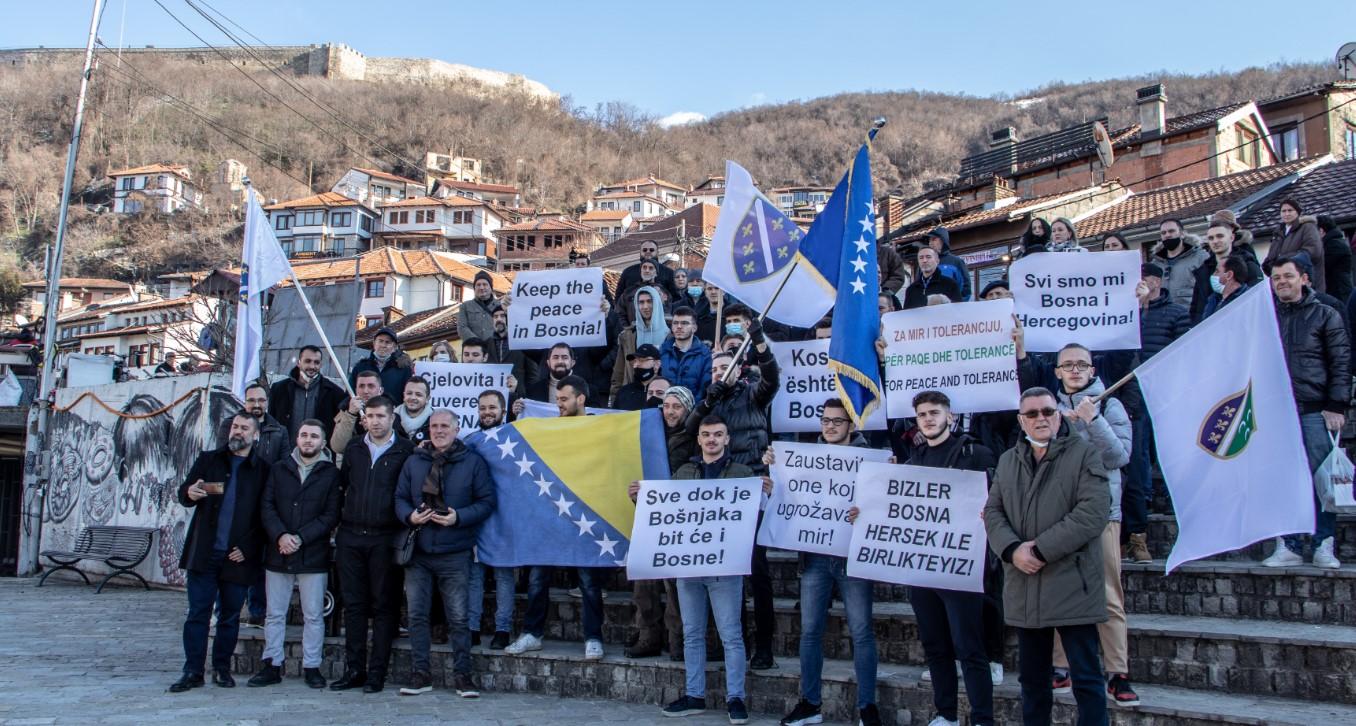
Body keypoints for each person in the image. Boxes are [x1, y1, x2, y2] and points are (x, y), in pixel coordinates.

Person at [985, 387, 1110, 726]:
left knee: (1086, 679)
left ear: (1058, 415)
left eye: (1047, 411)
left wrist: (1038, 550)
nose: (1041, 418)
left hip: (1072, 582)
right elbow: (992, 512)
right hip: (1025, 585)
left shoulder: (1084, 454)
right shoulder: (1008, 460)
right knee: (1032, 683)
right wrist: (1012, 550)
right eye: (1032, 413)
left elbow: (1093, 513)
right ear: (1020, 420)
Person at [774, 398, 883, 726]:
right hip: (816, 557)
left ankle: (867, 707)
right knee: (809, 631)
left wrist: (865, 510)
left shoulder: (872, 460)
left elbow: (885, 504)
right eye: (825, 420)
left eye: (837, 421)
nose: (830, 426)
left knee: (862, 632)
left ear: (851, 425)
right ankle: (810, 703)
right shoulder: (802, 459)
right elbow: (787, 496)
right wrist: (773, 469)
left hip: (853, 557)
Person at [896, 391, 996, 726]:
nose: (928, 418)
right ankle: (947, 714)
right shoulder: (914, 459)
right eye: (922, 414)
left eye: (934, 412)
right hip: (923, 569)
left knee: (970, 648)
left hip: (961, 568)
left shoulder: (977, 454)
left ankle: (982, 718)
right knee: (935, 646)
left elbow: (996, 502)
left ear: (949, 416)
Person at [685, 319, 780, 670]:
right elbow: (690, 431)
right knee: (728, 572)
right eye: (715, 370)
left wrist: (760, 345)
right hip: (719, 495)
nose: (719, 374)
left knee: (757, 571)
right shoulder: (711, 401)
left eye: (725, 368)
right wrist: (704, 404)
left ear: (739, 371)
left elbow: (772, 378)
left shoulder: (752, 393)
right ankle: (734, 642)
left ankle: (765, 646)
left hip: (752, 486)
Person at [1048, 344, 1138, 707]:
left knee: (1108, 594)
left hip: (1101, 514)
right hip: (1056, 516)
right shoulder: (1046, 406)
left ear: (1091, 368)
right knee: (1057, 589)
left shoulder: (1109, 405)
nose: (1074, 370)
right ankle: (1059, 665)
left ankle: (1117, 672)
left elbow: (1120, 455)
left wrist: (1092, 420)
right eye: (1067, 365)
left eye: (1080, 364)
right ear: (1056, 372)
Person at [659, 414, 755, 725]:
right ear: (698, 439)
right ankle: (695, 694)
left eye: (717, 434)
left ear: (727, 439)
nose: (711, 439)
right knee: (692, 634)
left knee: (731, 635)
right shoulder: (683, 472)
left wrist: (763, 492)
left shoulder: (743, 474)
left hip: (726, 567)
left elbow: (756, 514)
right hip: (689, 565)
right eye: (706, 434)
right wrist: (641, 500)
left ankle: (736, 698)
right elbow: (666, 512)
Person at [506, 375, 610, 661]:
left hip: (586, 514)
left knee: (589, 580)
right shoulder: (549, 429)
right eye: (557, 400)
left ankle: (593, 637)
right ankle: (532, 633)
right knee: (538, 577)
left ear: (581, 399)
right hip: (550, 514)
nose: (559, 405)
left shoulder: (599, 429)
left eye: (564, 399)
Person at [395, 409, 496, 698]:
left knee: (459, 618)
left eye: (444, 426)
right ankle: (420, 674)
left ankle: (463, 676)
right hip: (419, 551)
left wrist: (459, 517)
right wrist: (409, 517)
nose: (438, 431)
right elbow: (399, 497)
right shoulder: (414, 461)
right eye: (434, 426)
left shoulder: (473, 463)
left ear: (456, 428)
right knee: (416, 616)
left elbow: (487, 501)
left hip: (455, 551)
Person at [169, 413, 269, 693]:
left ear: (255, 434)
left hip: (237, 556)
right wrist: (190, 492)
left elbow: (265, 515)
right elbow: (184, 494)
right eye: (235, 426)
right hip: (205, 551)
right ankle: (193, 670)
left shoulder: (262, 470)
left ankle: (222, 669)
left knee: (230, 615)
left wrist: (248, 547)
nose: (238, 431)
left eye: (244, 428)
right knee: (198, 613)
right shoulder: (209, 460)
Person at [1262, 256, 1349, 569]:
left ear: (1304, 278)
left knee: (1321, 481)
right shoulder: (1264, 317)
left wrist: (1337, 405)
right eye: (1276, 278)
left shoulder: (1326, 314)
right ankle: (1290, 544)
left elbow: (1340, 362)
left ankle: (1324, 543)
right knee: (1284, 481)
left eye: (1288, 276)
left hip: (1315, 410)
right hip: (1275, 413)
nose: (1282, 281)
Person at [330, 395, 416, 694]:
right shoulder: (354, 447)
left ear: (392, 418)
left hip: (385, 537)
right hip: (351, 535)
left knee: (384, 606)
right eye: (371, 416)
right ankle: (354, 669)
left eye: (382, 416)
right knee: (353, 606)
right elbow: (345, 485)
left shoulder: (406, 450)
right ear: (364, 418)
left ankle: (376, 673)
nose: (376, 421)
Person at [248, 419, 340, 689]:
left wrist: (301, 537)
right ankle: (271, 664)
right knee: (275, 613)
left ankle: (312, 666)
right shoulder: (279, 469)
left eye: (314, 436)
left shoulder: (330, 473)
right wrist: (281, 535)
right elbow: (266, 506)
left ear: (323, 442)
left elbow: (331, 514)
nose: (308, 440)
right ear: (296, 439)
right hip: (279, 551)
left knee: (313, 614)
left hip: (312, 553)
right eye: (303, 435)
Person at [1124, 266, 1189, 565]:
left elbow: (1182, 351)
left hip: (1157, 397)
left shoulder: (1174, 313)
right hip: (1124, 400)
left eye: (1145, 279)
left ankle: (1138, 536)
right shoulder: (1124, 315)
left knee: (1141, 468)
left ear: (1157, 281)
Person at [226, 383, 290, 628]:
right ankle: (228, 609)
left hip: (267, 497)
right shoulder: (231, 426)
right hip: (239, 499)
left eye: (260, 400)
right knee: (236, 554)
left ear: (267, 402)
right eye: (251, 400)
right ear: (245, 402)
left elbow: (284, 463)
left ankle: (258, 610)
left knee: (262, 556)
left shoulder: (278, 430)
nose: (256, 404)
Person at [467, 390, 517, 650]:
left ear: (503, 410)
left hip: (506, 520)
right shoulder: (471, 442)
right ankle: (472, 628)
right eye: (482, 408)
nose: (487, 412)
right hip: (477, 520)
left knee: (504, 576)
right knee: (474, 576)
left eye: (492, 408)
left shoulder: (516, 440)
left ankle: (502, 629)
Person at [1189, 222, 1264, 322]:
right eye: (1211, 238)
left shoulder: (1249, 266)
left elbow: (1256, 300)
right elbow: (1196, 307)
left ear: (1232, 238)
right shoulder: (1203, 270)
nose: (1215, 241)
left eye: (1220, 236)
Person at [270, 345, 346, 440]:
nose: (312, 366)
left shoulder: (334, 392)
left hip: (319, 452)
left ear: (321, 364)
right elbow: (271, 424)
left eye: (316, 362)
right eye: (307, 361)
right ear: (298, 363)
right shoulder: (279, 389)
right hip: (285, 452)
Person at [610, 286, 669, 399]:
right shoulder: (627, 336)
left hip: (661, 397)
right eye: (641, 302)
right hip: (631, 396)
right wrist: (613, 398)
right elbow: (619, 372)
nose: (645, 306)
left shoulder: (669, 335)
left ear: (657, 302)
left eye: (649, 301)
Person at [1263, 199, 1325, 293]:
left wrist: (1284, 260)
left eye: (1290, 210)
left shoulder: (1307, 227)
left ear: (1298, 212)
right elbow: (1272, 256)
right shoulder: (1279, 232)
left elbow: (1313, 251)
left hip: (1306, 283)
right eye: (1283, 211)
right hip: (1283, 284)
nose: (1286, 214)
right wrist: (1267, 265)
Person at [525, 342, 607, 409]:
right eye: (555, 357)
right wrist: (519, 409)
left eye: (564, 357)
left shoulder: (590, 391)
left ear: (573, 362)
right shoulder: (533, 391)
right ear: (548, 363)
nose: (560, 361)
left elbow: (595, 419)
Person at [1152, 218, 1209, 309]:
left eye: (1171, 231)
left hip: (1190, 316)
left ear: (1182, 234)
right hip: (1163, 318)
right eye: (1163, 233)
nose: (1167, 235)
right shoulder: (1155, 264)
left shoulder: (1200, 257)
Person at [660, 306, 713, 404]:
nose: (679, 326)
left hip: (692, 411)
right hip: (666, 408)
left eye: (684, 323)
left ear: (694, 328)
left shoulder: (706, 355)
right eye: (675, 323)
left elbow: (704, 388)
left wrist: (690, 408)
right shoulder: (662, 351)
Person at [486, 308, 538, 399]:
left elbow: (532, 374)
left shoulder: (522, 342)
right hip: (492, 397)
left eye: (502, 316)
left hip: (518, 397)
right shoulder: (486, 344)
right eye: (495, 317)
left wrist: (531, 397)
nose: (498, 319)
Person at [350, 327, 413, 400]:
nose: (383, 345)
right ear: (374, 343)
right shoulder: (360, 367)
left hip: (392, 410)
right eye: (380, 341)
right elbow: (350, 393)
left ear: (394, 347)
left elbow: (408, 395)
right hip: (365, 410)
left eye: (388, 342)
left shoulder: (403, 369)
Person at [330, 370, 384, 453]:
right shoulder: (345, 410)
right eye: (361, 386)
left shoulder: (391, 413)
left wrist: (372, 430)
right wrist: (350, 414)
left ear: (380, 391)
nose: (366, 391)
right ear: (356, 390)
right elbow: (338, 447)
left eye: (371, 386)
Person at [619, 240, 679, 304]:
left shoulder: (669, 273)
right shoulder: (628, 272)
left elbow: (676, 298)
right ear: (640, 252)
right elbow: (619, 297)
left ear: (657, 252)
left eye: (651, 250)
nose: (648, 252)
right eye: (644, 250)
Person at [1200, 255, 1252, 320]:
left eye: (1217, 271)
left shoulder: (1246, 302)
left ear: (1229, 275)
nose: (1213, 275)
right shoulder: (1214, 300)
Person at [613, 344, 662, 411]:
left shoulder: (666, 391)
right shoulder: (623, 392)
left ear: (657, 364)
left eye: (642, 360)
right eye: (635, 361)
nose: (636, 365)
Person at [457, 271, 501, 343]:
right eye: (478, 285)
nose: (481, 287)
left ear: (491, 288)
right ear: (474, 288)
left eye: (485, 284)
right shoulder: (465, 306)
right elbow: (462, 328)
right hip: (473, 350)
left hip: (495, 349)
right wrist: (477, 343)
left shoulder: (500, 306)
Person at [927, 226, 971, 300]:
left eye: (934, 239)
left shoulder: (956, 262)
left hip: (952, 308)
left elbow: (966, 288)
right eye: (929, 240)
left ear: (943, 240)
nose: (930, 243)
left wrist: (958, 305)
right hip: (929, 309)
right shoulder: (925, 263)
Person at [1320, 215, 1352, 304]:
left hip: (1339, 291)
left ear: (1321, 231)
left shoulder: (1334, 245)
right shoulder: (1335, 242)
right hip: (1339, 290)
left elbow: (1323, 265)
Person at [392, 376, 433, 445]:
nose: (413, 397)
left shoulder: (435, 422)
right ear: (404, 395)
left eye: (418, 395)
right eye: (409, 393)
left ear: (427, 399)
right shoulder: (390, 420)